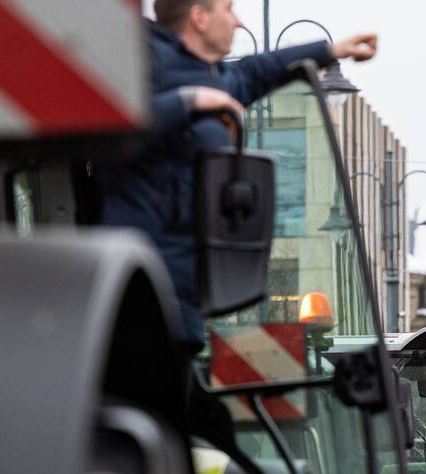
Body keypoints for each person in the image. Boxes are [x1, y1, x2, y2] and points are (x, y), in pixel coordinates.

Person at [98, 0, 378, 353]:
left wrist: (331, 50)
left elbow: (258, 70)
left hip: (182, 297)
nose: (239, 21)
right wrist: (187, 101)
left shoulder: (213, 76)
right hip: (140, 290)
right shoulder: (144, 60)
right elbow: (116, 124)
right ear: (199, 18)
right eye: (228, 10)